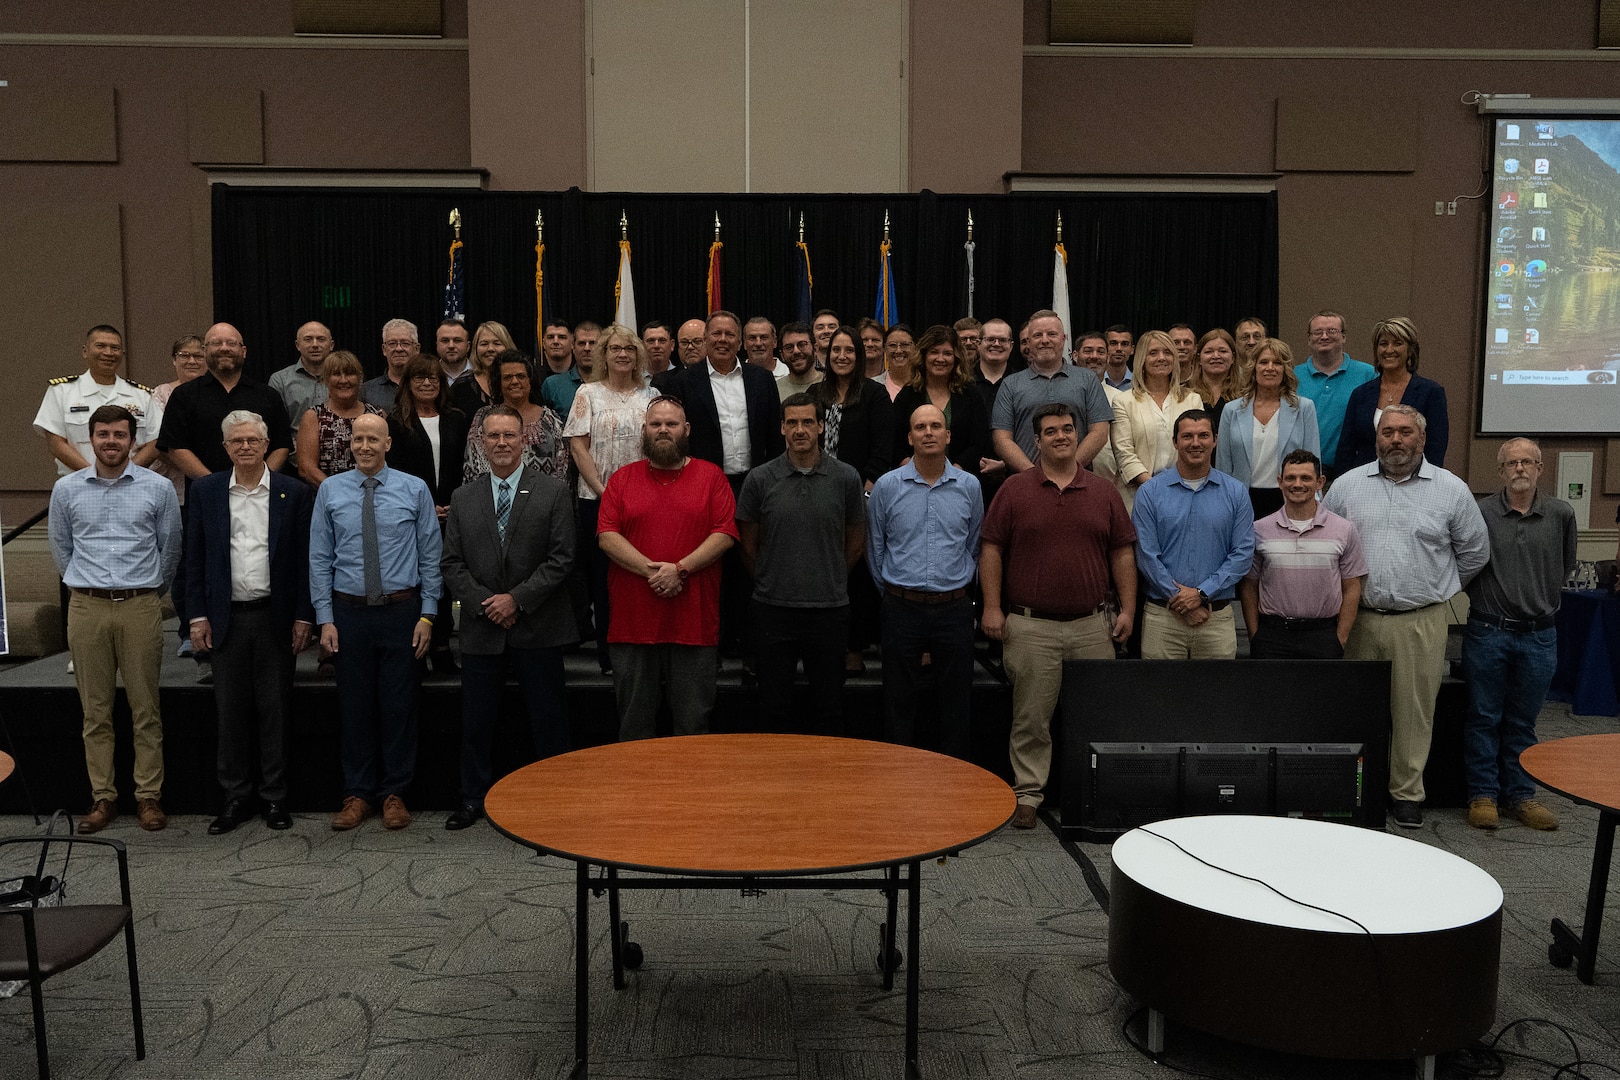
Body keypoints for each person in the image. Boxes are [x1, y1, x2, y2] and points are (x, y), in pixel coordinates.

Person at [1322, 404, 1489, 829]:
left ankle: (1406, 794)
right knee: (1353, 708)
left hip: (1421, 618)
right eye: (1388, 432)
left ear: (1422, 438)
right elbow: (1329, 544)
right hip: (1358, 617)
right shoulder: (1346, 486)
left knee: (1414, 711)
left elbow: (1474, 553)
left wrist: (1435, 587)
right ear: (1376, 438)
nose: (1396, 440)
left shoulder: (1451, 489)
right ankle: (1356, 786)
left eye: (1405, 432)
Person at [981, 403, 1136, 828]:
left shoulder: (1103, 491)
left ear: (1078, 434)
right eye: (1052, 431)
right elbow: (991, 549)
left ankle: (1093, 795)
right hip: (1030, 626)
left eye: (1068, 429)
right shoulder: (1014, 490)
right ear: (1038, 440)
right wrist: (992, 607)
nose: (1062, 436)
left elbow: (1122, 551)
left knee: (1095, 716)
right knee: (1031, 718)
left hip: (1092, 625)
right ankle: (1029, 795)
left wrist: (1128, 608)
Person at [441, 405, 577, 830]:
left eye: (509, 436)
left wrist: (515, 600)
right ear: (482, 443)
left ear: (525, 440)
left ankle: (554, 800)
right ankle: (472, 799)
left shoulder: (552, 491)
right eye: (493, 436)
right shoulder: (464, 497)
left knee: (549, 721)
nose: (501, 443)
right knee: (476, 723)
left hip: (537, 625)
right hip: (483, 628)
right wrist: (488, 603)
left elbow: (562, 559)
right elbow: (451, 564)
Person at [49, 405, 181, 833]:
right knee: (95, 712)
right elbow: (61, 549)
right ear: (91, 439)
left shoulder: (158, 488)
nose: (111, 441)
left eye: (119, 435)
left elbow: (170, 551)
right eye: (102, 434)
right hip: (86, 606)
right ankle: (103, 799)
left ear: (133, 440)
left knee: (146, 708)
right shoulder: (66, 490)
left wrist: (149, 592)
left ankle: (148, 798)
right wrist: (84, 587)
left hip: (140, 604)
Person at [309, 413, 442, 831]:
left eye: (373, 439)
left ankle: (395, 793)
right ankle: (357, 793)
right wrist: (325, 619)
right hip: (348, 613)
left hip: (402, 612)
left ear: (388, 444)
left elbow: (430, 554)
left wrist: (429, 613)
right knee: (354, 707)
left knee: (399, 708)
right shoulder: (330, 490)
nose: (365, 446)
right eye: (358, 439)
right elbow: (319, 558)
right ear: (351, 444)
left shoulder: (414, 489)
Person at [184, 410, 314, 834]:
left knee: (275, 712)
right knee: (231, 714)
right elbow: (195, 558)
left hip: (274, 617)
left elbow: (303, 561)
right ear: (225, 448)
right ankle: (235, 797)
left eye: (252, 441)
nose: (244, 447)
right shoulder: (205, 492)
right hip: (225, 622)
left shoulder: (292, 493)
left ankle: (275, 798)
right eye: (236, 442)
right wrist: (197, 616)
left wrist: (302, 616)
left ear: (266, 445)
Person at [596, 397, 738, 740]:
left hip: (694, 624)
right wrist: (655, 572)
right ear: (644, 431)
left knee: (692, 727)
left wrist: (681, 569)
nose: (663, 430)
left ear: (686, 430)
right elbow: (606, 536)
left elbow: (725, 533)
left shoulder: (711, 477)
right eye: (655, 424)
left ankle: (693, 796)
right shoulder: (621, 479)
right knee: (633, 728)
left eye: (671, 424)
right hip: (633, 624)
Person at [1462, 438, 1577, 831]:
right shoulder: (1481, 513)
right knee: (1483, 717)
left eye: (1528, 462)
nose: (1520, 469)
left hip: (1540, 636)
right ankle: (1482, 795)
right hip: (1488, 631)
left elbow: (1565, 565)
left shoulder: (1561, 514)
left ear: (1541, 469)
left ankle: (1522, 796)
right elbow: (1468, 562)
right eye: (1512, 463)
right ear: (1500, 471)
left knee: (1523, 721)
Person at [736, 394, 865, 735]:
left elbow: (855, 540)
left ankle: (825, 787)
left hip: (829, 610)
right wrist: (769, 580)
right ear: (781, 428)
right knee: (773, 708)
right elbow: (748, 545)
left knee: (828, 709)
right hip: (771, 610)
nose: (800, 430)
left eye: (808, 422)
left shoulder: (846, 478)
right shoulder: (760, 479)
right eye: (792, 423)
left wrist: (831, 577)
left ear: (821, 427)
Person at [867, 404, 983, 759]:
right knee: (898, 703)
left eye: (936, 426)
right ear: (909, 437)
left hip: (954, 609)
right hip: (901, 607)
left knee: (956, 705)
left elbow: (974, 544)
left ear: (948, 436)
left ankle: (955, 788)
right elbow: (876, 548)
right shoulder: (887, 487)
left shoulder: (969, 486)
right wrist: (894, 592)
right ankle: (898, 785)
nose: (928, 432)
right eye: (920, 427)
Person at [563, 325, 659, 674]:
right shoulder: (588, 393)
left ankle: (645, 652)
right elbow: (578, 445)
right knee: (606, 582)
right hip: (597, 500)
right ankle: (609, 656)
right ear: (604, 355)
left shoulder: (652, 395)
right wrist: (606, 493)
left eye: (629, 349)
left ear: (638, 356)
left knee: (643, 575)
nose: (622, 354)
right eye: (615, 348)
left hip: (645, 503)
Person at [1132, 410, 1255, 660]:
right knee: (1160, 697)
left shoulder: (1236, 492)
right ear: (1175, 442)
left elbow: (1242, 553)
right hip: (1163, 618)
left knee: (1216, 698)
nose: (1195, 443)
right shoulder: (1150, 493)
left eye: (1203, 435)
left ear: (1215, 440)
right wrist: (1180, 599)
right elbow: (1146, 554)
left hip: (1215, 617)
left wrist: (1201, 594)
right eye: (1187, 436)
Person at [811, 326, 894, 673]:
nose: (842, 357)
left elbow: (884, 447)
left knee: (856, 571)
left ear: (860, 357)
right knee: (822, 568)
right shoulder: (816, 392)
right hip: (818, 494)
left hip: (861, 495)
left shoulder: (874, 395)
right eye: (836, 351)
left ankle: (855, 646)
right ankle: (819, 642)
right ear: (827, 357)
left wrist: (865, 490)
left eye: (849, 351)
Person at [1239, 449, 1366, 659]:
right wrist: (1256, 635)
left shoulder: (1344, 530)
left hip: (1323, 635)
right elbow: (1249, 585)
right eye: (1290, 478)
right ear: (1280, 481)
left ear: (1320, 482)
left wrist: (1340, 638)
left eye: (1306, 478)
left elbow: (1352, 587)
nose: (1297, 484)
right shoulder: (1259, 530)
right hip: (1273, 635)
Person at [387, 354, 470, 674]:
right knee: (418, 580)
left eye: (433, 378)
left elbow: (467, 465)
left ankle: (442, 646)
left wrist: (455, 502)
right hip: (411, 515)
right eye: (419, 378)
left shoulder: (457, 418)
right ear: (407, 383)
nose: (426, 383)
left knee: (448, 580)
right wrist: (423, 505)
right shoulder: (395, 421)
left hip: (453, 512)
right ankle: (418, 649)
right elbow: (393, 472)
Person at [159, 321, 293, 480]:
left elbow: (281, 446)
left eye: (231, 343)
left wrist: (260, 481)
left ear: (243, 351)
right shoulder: (183, 395)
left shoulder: (268, 396)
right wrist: (214, 485)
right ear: (205, 350)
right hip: (204, 494)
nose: (224, 348)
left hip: (261, 495)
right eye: (216, 343)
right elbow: (176, 447)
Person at [991, 310, 1112, 472]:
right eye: (1037, 335)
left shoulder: (1088, 379)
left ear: (1064, 339)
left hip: (1077, 482)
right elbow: (1001, 440)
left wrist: (1069, 470)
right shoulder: (1010, 384)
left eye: (1052, 334)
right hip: (1026, 483)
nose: (1045, 340)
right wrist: (1033, 475)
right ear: (1028, 342)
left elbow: (1100, 433)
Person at [1216, 338, 1320, 518]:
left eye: (1277, 363)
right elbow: (1223, 465)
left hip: (1289, 499)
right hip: (1241, 501)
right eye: (1263, 362)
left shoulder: (1304, 408)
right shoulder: (1231, 410)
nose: (1270, 368)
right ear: (1254, 367)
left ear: (1285, 369)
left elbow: (1313, 460)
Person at [1335, 316, 1449, 474]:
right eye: (1383, 344)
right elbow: (1346, 448)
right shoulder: (1360, 394)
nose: (1389, 350)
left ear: (1410, 350)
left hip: (1412, 481)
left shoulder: (1430, 392)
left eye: (1397, 343)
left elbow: (1436, 447)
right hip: (1365, 482)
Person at [1110, 330, 1204, 512]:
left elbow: (1198, 446)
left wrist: (1177, 487)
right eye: (1153, 353)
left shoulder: (1193, 400)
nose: (1161, 358)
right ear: (1141, 360)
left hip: (1186, 492)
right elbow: (1124, 454)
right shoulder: (1124, 401)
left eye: (1167, 352)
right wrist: (1156, 488)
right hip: (1139, 494)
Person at [892, 324, 992, 481]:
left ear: (956, 358)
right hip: (911, 480)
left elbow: (979, 442)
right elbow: (894, 440)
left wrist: (953, 472)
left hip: (961, 479)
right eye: (934, 352)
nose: (940, 359)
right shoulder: (908, 395)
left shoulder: (971, 394)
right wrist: (912, 471)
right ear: (923, 356)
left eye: (947, 353)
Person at [464, 351, 570, 483]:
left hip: (543, 498)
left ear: (530, 381)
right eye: (507, 377)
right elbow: (475, 465)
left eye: (521, 376)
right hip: (493, 497)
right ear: (499, 383)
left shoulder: (550, 419)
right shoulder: (484, 417)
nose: (515, 381)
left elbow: (563, 466)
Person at [1294, 310, 1375, 476]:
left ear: (1344, 337)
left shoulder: (1368, 374)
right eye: (1317, 332)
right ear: (1309, 339)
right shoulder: (1292, 376)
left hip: (1352, 473)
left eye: (1331, 331)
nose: (1324, 336)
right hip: (1302, 475)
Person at [295, 351, 384, 487]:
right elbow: (306, 469)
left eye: (349, 373)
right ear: (325, 380)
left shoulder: (377, 415)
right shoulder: (314, 416)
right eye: (336, 374)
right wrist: (339, 492)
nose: (343, 380)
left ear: (360, 378)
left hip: (374, 494)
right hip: (331, 499)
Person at [149, 334, 207, 505]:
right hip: (170, 478)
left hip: (208, 472)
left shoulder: (214, 393)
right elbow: (158, 439)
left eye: (198, 356)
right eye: (184, 355)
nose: (192, 361)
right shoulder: (161, 393)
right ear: (174, 360)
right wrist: (185, 463)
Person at [267, 321, 333, 450]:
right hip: (294, 462)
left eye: (321, 339)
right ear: (298, 345)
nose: (315, 345)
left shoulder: (346, 379)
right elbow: (277, 428)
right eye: (308, 339)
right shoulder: (280, 380)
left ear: (331, 345)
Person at [452, 319, 517, 416]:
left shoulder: (521, 381)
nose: (490, 349)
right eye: (484, 344)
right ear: (475, 348)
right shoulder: (461, 386)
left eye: (497, 343)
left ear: (507, 347)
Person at [1189, 329, 1241, 435]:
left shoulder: (1245, 394)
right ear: (1199, 359)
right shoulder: (1185, 392)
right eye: (1209, 352)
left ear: (1233, 358)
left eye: (1223, 351)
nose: (1216, 356)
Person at [362, 318, 420, 411]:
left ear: (417, 349)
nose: (399, 349)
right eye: (392, 343)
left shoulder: (429, 387)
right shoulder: (367, 391)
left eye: (405, 343)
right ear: (384, 349)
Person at [777, 321, 825, 399]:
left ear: (815, 349)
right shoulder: (774, 390)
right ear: (782, 355)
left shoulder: (832, 385)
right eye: (789, 347)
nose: (796, 351)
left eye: (802, 344)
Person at [876, 323, 916, 400]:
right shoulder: (872, 386)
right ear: (884, 349)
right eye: (892, 345)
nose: (898, 351)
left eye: (904, 345)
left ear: (915, 347)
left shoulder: (926, 384)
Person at [744, 315, 787, 380]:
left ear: (774, 342)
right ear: (744, 344)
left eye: (764, 337)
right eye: (752, 338)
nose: (758, 343)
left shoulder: (788, 373)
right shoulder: (736, 377)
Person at [435, 319, 474, 385]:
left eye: (457, 340)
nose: (451, 346)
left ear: (468, 346)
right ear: (437, 345)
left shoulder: (480, 374)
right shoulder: (429, 375)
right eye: (445, 341)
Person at [1103, 325, 1134, 390]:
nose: (1119, 348)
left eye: (1124, 344)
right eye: (1113, 343)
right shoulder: (1095, 382)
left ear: (1132, 349)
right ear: (1104, 347)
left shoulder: (1140, 384)